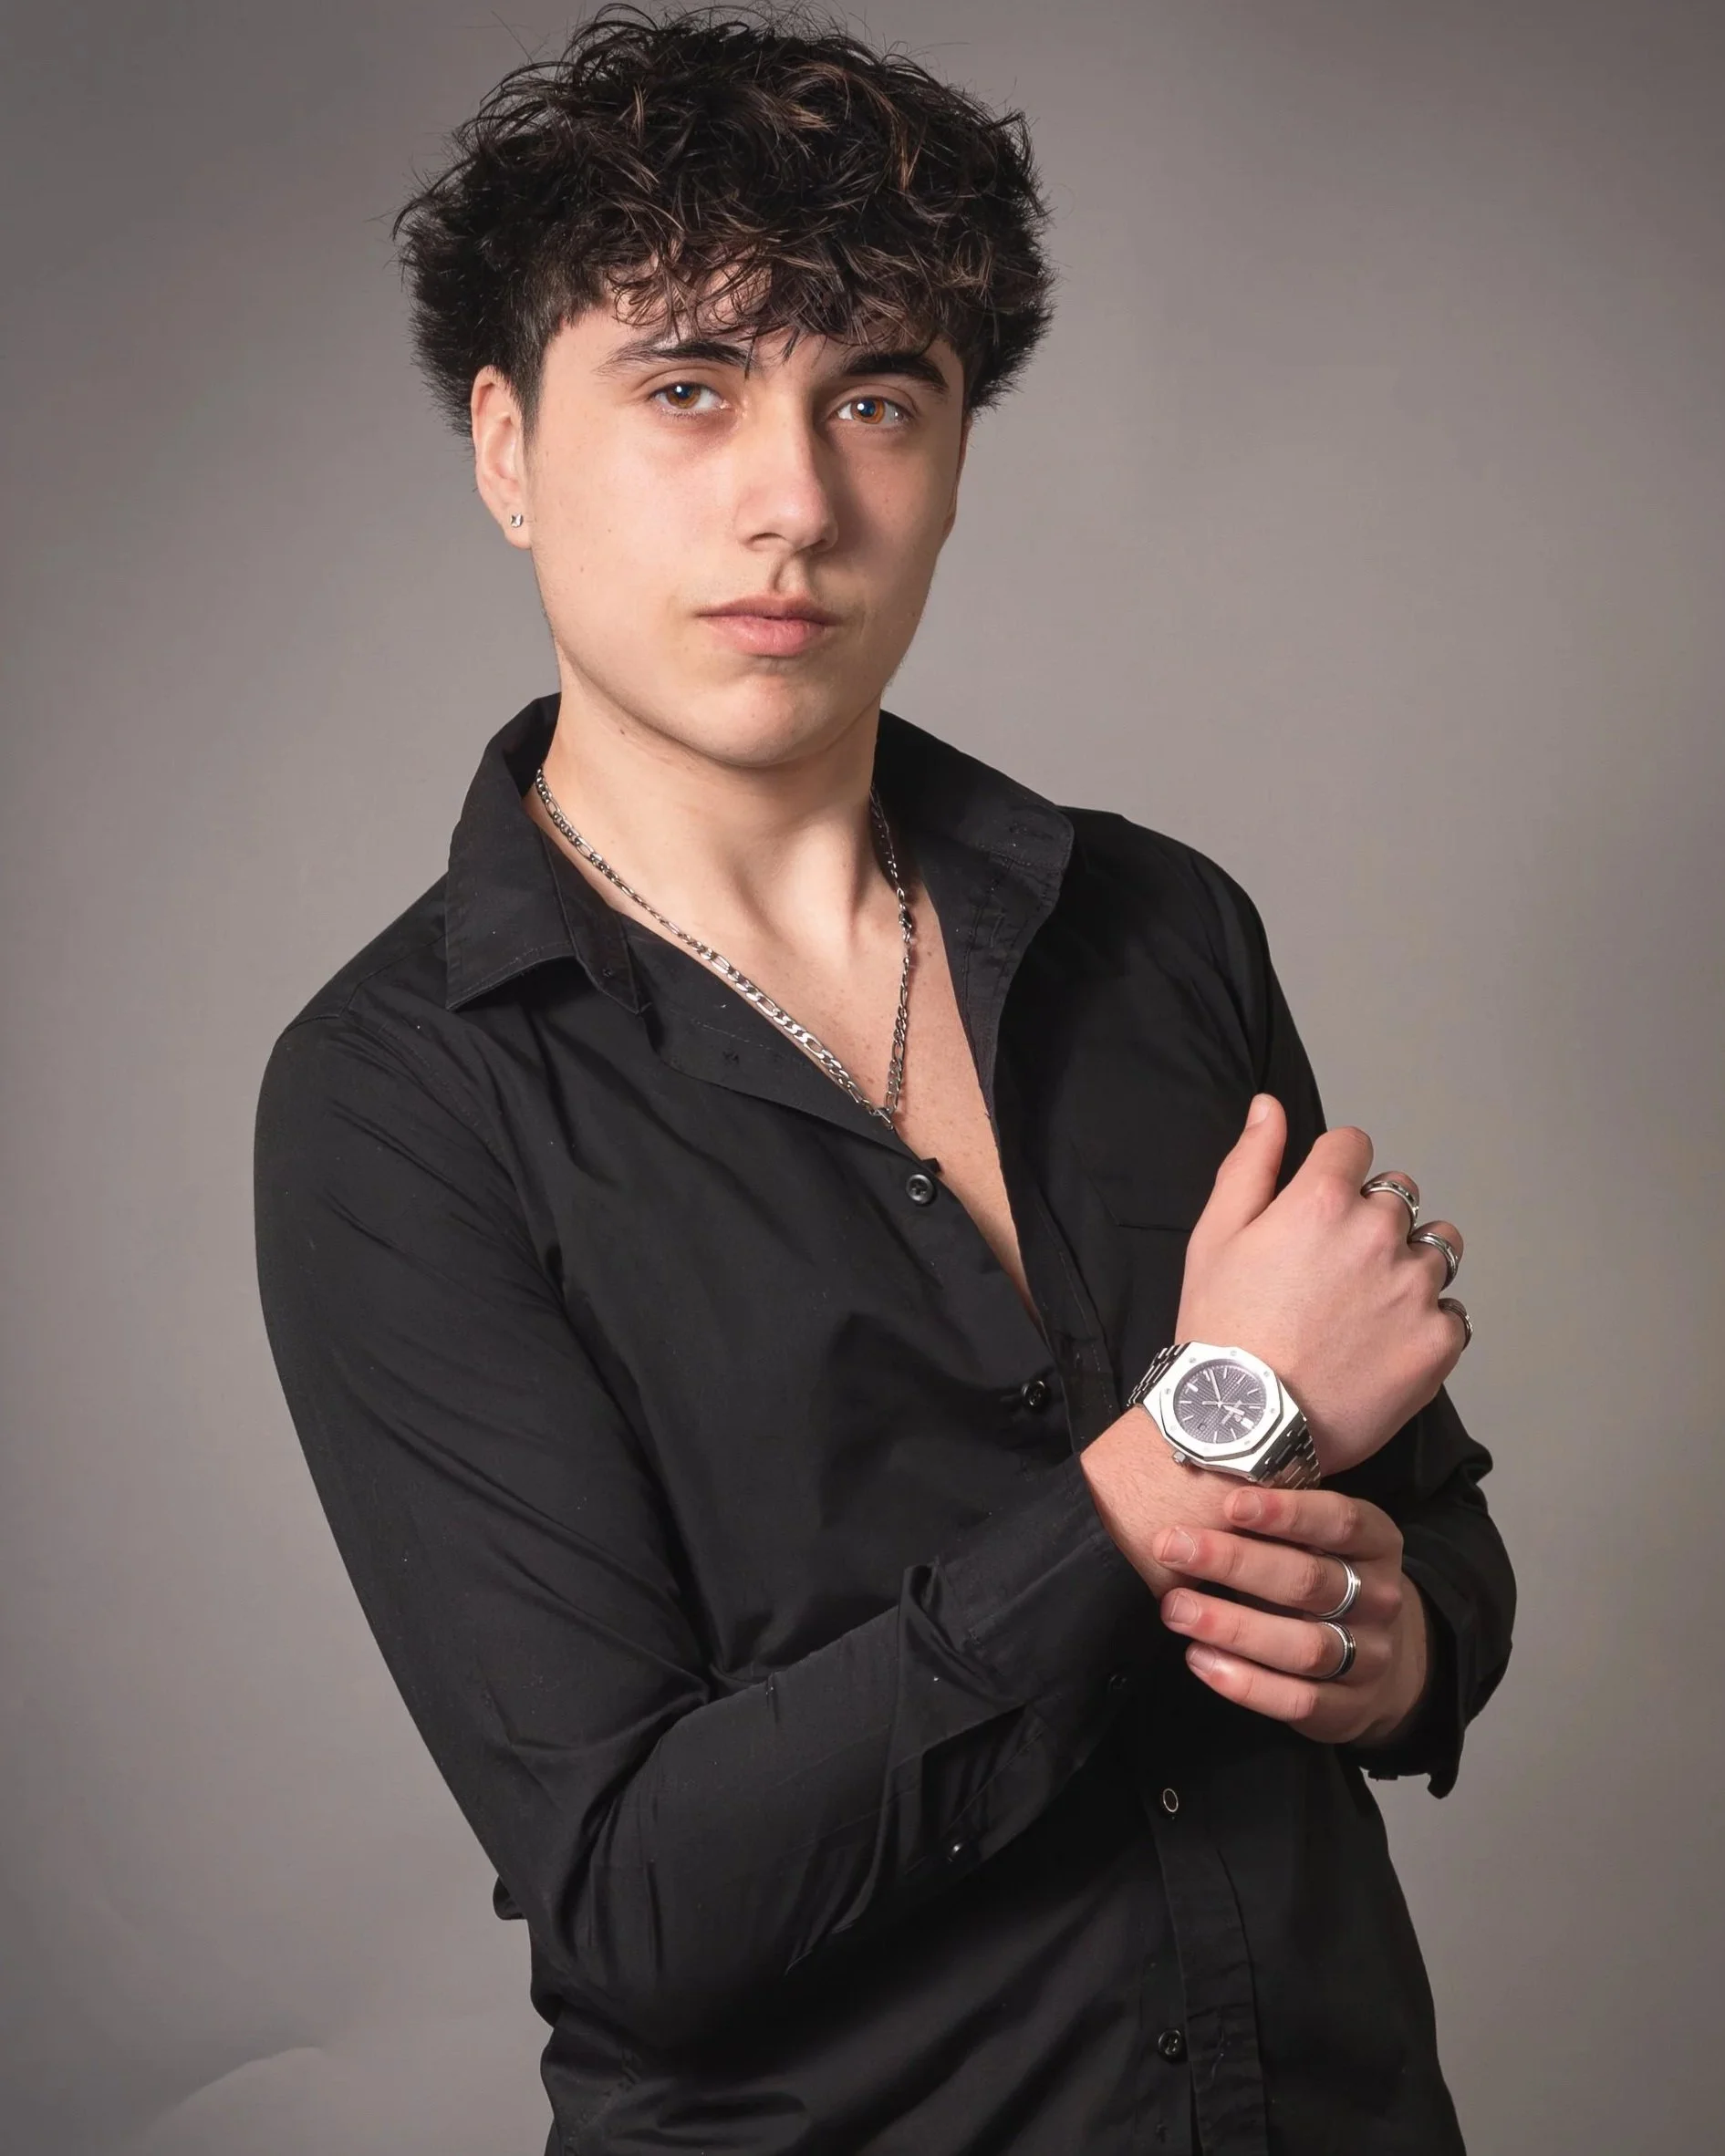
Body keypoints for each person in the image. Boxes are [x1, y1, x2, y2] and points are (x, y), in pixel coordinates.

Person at [252, 8, 1514, 2151]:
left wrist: (1400, 1648)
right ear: (503, 446)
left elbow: (1433, 1521)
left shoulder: (1159, 927)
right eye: (687, 389)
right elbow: (640, 1899)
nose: (797, 499)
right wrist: (1195, 1434)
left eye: (877, 398)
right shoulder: (400, 1107)